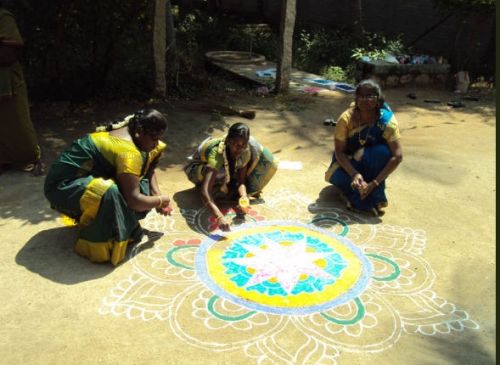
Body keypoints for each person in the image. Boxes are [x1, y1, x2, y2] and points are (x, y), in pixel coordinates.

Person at [44, 109, 172, 265]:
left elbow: (148, 168)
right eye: (154, 138)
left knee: (139, 184)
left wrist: (156, 194)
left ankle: (118, 225)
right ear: (139, 132)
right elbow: (135, 201)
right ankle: (98, 243)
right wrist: (161, 200)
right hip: (61, 189)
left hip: (85, 178)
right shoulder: (128, 154)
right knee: (108, 192)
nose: (156, 144)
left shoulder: (134, 130)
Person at [324, 79, 403, 216]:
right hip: (346, 164)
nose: (364, 99)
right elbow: (339, 151)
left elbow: (398, 156)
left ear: (378, 100)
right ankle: (355, 191)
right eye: (360, 96)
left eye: (369, 96)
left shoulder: (387, 121)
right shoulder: (346, 119)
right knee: (358, 196)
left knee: (384, 152)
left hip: (371, 162)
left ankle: (370, 189)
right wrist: (354, 174)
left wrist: (375, 183)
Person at [184, 122, 277, 231]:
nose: (240, 149)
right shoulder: (217, 154)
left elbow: (241, 181)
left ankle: (224, 188)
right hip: (197, 169)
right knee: (221, 173)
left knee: (253, 165)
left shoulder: (245, 150)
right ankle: (218, 188)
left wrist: (243, 196)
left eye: (244, 145)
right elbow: (205, 190)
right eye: (236, 145)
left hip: (225, 169)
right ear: (228, 141)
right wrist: (219, 217)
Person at [0, 2, 43, 175]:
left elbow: (8, 53)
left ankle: (29, 157)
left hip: (7, 80)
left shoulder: (3, 17)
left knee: (16, 121)